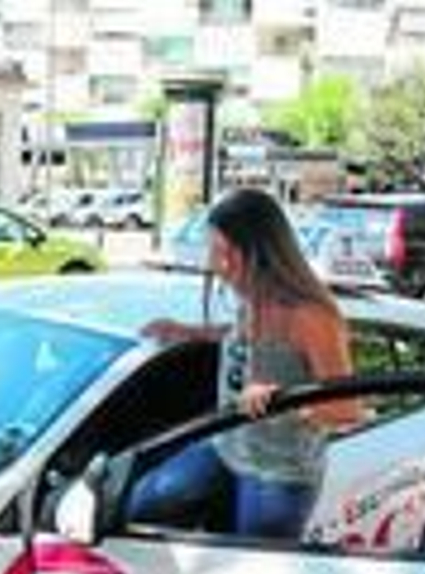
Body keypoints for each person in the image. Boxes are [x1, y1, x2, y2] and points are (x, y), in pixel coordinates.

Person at [137, 188, 360, 540]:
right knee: (136, 507)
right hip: (226, 446)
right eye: (214, 250)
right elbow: (247, 341)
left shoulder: (311, 315)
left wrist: (283, 400)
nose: (216, 264)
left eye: (224, 252)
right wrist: (192, 332)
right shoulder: (253, 296)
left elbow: (346, 410)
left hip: (278, 476)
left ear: (259, 251)